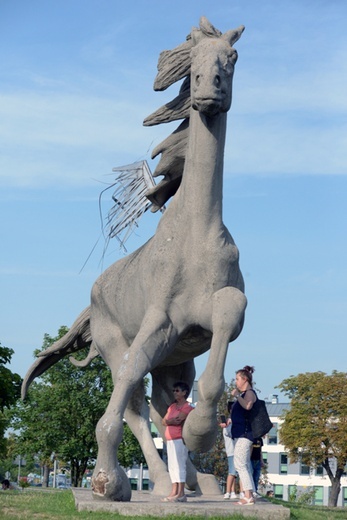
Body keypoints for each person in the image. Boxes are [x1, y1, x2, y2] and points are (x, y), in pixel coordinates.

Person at [161, 381, 194, 502]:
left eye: (177, 390)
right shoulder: (172, 407)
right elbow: (164, 421)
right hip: (170, 439)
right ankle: (174, 490)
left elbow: (178, 419)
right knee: (172, 466)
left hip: (180, 439)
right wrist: (169, 421)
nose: (175, 393)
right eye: (174, 391)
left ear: (184, 392)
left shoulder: (187, 407)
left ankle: (181, 492)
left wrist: (169, 421)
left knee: (180, 465)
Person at [230, 365, 257, 506]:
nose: (236, 382)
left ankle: (247, 496)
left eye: (237, 379)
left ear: (244, 379)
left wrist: (236, 396)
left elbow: (248, 406)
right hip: (240, 433)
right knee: (244, 464)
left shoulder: (249, 393)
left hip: (245, 434)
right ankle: (249, 494)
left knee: (240, 464)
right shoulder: (244, 394)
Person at [220, 403, 238, 500]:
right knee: (232, 472)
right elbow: (229, 433)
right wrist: (227, 425)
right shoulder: (228, 423)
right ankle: (228, 492)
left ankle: (233, 491)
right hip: (231, 451)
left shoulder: (237, 421)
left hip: (237, 450)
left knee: (235, 472)